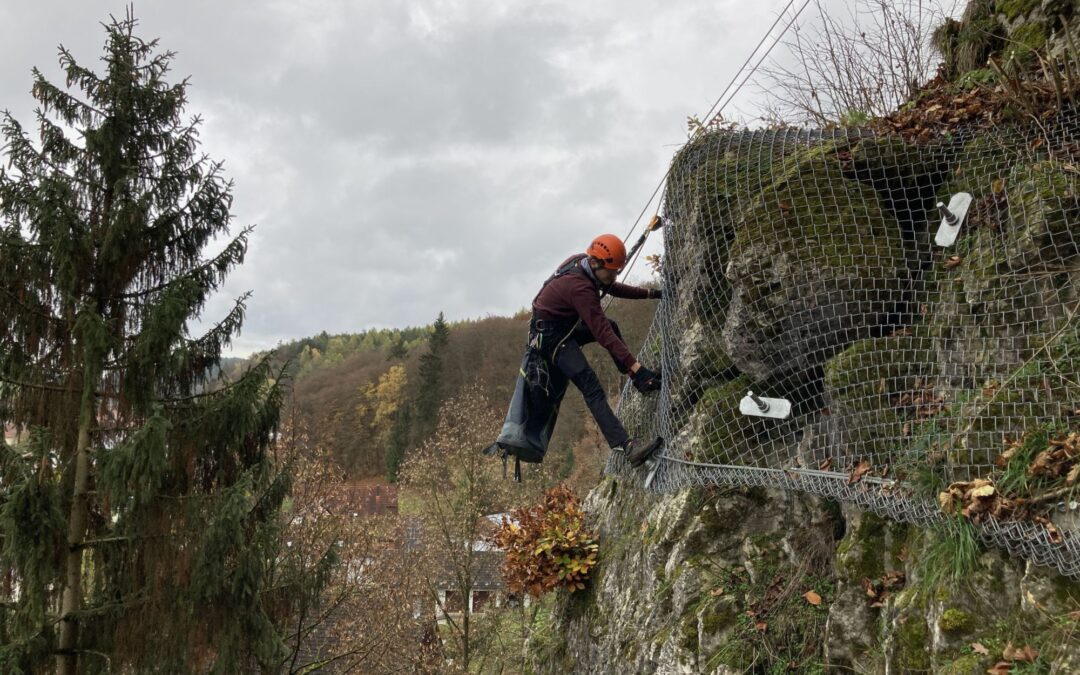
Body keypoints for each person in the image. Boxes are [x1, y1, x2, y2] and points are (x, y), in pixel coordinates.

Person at [528, 224, 664, 467]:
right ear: (597, 264)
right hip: (551, 340)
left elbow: (612, 287)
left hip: (560, 325)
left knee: (612, 325)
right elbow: (603, 334)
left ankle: (639, 382)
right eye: (611, 271)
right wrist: (637, 367)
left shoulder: (585, 263)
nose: (614, 276)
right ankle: (626, 446)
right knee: (591, 385)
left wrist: (651, 294)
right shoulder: (580, 288)